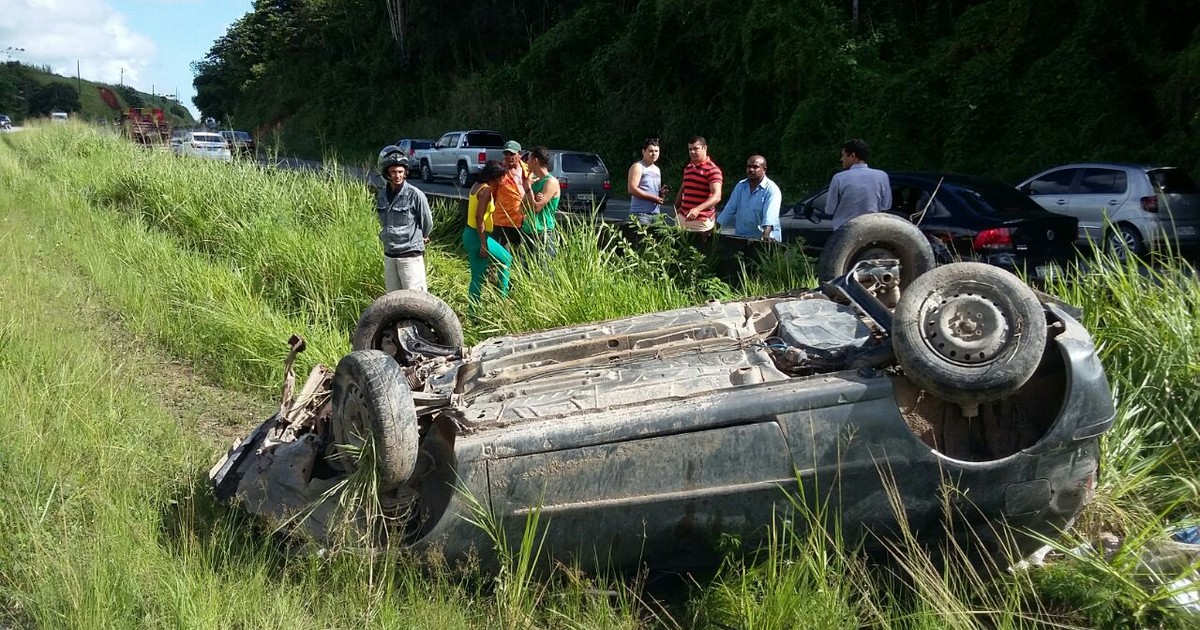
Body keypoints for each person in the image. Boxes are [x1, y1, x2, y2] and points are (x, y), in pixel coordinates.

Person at [375, 154, 433, 292]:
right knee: (393, 300)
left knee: (415, 298)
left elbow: (427, 221)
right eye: (393, 172)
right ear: (387, 173)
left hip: (410, 254)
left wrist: (423, 236)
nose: (397, 175)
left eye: (400, 172)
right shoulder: (381, 195)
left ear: (405, 172)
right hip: (390, 253)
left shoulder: (415, 194)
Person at [462, 161, 513, 304]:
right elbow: (479, 217)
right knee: (479, 275)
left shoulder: (476, 186)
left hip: (471, 234)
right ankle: (498, 302)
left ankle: (496, 301)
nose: (503, 180)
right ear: (494, 177)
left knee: (504, 260)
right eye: (502, 177)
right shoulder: (486, 191)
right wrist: (484, 243)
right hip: (478, 236)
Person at [827, 138, 891, 230]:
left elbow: (830, 209)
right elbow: (886, 205)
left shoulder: (839, 178)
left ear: (853, 155)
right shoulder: (882, 176)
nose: (841, 159)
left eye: (843, 155)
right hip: (871, 230)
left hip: (845, 231)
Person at [716, 155, 782, 242]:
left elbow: (770, 215)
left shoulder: (771, 189)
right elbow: (729, 209)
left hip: (765, 240)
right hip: (742, 238)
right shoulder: (741, 186)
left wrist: (766, 234)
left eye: (755, 167)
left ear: (764, 170)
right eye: (749, 166)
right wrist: (715, 227)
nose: (751, 170)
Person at [674, 136, 723, 240]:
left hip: (701, 222)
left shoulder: (712, 170)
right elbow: (683, 187)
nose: (692, 152)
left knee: (698, 254)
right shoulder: (688, 167)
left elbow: (717, 196)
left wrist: (697, 209)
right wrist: (677, 207)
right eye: (690, 149)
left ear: (705, 148)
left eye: (696, 148)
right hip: (682, 219)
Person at [492, 140, 533, 250]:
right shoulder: (499, 171)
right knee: (503, 255)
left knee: (520, 253)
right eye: (506, 154)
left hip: (523, 220)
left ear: (519, 154)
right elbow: (490, 193)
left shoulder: (528, 169)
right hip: (502, 221)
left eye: (512, 154)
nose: (509, 157)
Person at [523, 146, 560, 257]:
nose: (526, 163)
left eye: (528, 159)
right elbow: (521, 205)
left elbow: (536, 208)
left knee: (544, 271)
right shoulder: (534, 181)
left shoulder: (551, 182)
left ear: (535, 161)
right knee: (526, 272)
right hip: (528, 231)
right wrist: (532, 196)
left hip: (543, 233)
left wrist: (529, 189)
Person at [627, 138, 667, 225]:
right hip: (640, 214)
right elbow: (632, 189)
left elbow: (653, 190)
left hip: (656, 214)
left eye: (656, 151)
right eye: (651, 151)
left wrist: (661, 193)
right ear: (643, 151)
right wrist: (653, 198)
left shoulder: (657, 169)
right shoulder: (638, 166)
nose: (654, 154)